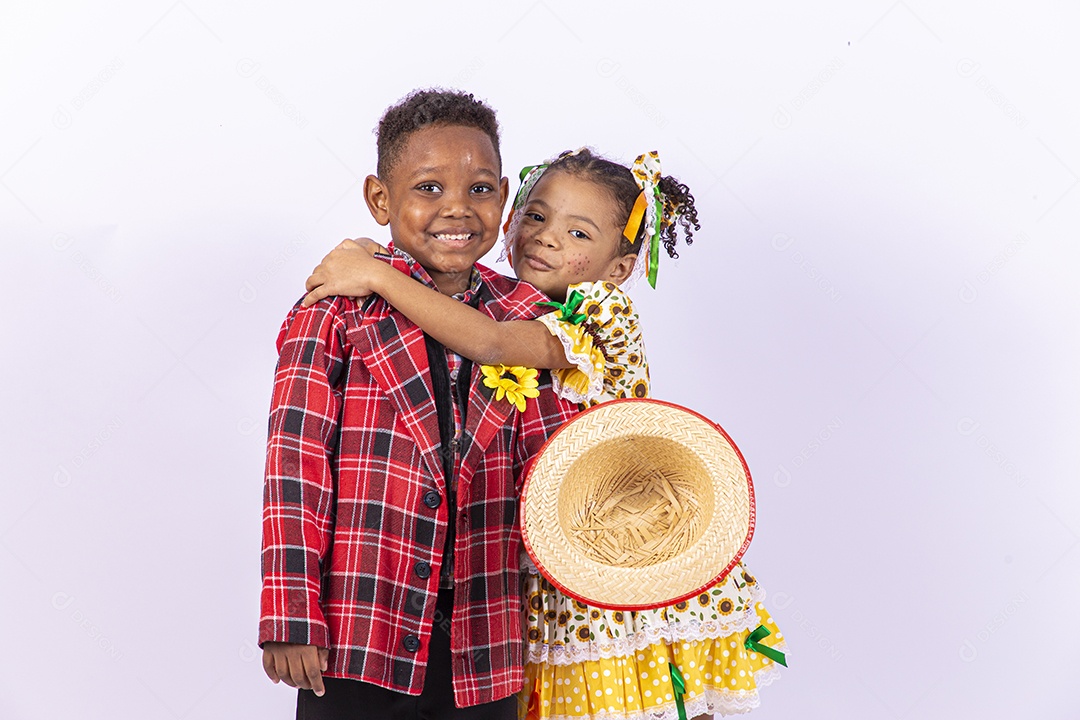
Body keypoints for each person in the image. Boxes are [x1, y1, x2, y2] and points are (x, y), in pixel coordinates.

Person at [303, 148, 787, 719]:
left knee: (646, 696)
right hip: (546, 566)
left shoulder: (600, 314)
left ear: (618, 268)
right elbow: (456, 303)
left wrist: (377, 275)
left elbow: (489, 344)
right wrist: (370, 250)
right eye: (536, 216)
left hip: (616, 555)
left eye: (578, 232)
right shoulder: (509, 301)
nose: (548, 238)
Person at [258, 89, 578, 720]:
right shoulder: (334, 310)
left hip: (486, 636)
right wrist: (289, 608)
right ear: (381, 199)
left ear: (505, 197)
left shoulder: (529, 317)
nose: (457, 208)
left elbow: (554, 466)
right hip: (360, 628)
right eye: (428, 188)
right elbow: (295, 467)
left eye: (480, 189)